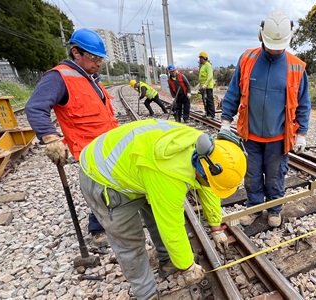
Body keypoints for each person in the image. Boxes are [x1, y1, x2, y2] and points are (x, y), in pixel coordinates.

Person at [78, 119, 247, 300]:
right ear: (203, 168)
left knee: (156, 217)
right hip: (103, 174)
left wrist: (216, 227)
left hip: (138, 162)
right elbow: (171, 227)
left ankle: (167, 262)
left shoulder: (206, 150)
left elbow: (209, 187)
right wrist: (187, 267)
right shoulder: (169, 175)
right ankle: (146, 293)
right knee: (130, 242)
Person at [25, 28, 118, 246]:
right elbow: (35, 107)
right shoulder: (59, 77)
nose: (98, 63)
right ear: (76, 52)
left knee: (111, 187)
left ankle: (113, 220)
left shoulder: (92, 79)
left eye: (100, 58)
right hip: (89, 148)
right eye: (94, 57)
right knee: (101, 189)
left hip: (109, 144)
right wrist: (50, 137)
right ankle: (98, 229)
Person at [220, 11, 311, 228]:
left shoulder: (296, 67)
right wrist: (225, 121)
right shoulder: (247, 59)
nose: (274, 49)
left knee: (275, 176)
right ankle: (254, 207)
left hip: (278, 138)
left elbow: (303, 103)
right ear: (261, 35)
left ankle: (274, 209)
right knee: (251, 175)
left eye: (279, 45)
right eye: (271, 44)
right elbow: (233, 92)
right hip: (250, 135)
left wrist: (302, 134)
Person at [198, 51, 215, 119]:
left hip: (208, 87)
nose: (200, 59)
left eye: (201, 58)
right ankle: (207, 113)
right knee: (205, 100)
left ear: (204, 58)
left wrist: (206, 84)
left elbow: (210, 76)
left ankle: (211, 115)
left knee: (209, 100)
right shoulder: (203, 66)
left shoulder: (208, 65)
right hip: (203, 87)